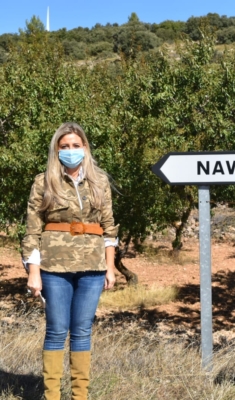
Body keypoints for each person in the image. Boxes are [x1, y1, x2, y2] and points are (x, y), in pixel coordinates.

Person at [22, 122, 119, 400]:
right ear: (56, 150)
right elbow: (32, 231)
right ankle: (52, 396)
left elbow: (109, 228)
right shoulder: (44, 181)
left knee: (82, 330)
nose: (70, 151)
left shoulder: (99, 181)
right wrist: (33, 272)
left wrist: (110, 267)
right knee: (56, 329)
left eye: (76, 145)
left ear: (85, 148)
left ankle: (80, 396)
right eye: (64, 146)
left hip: (92, 267)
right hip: (54, 267)